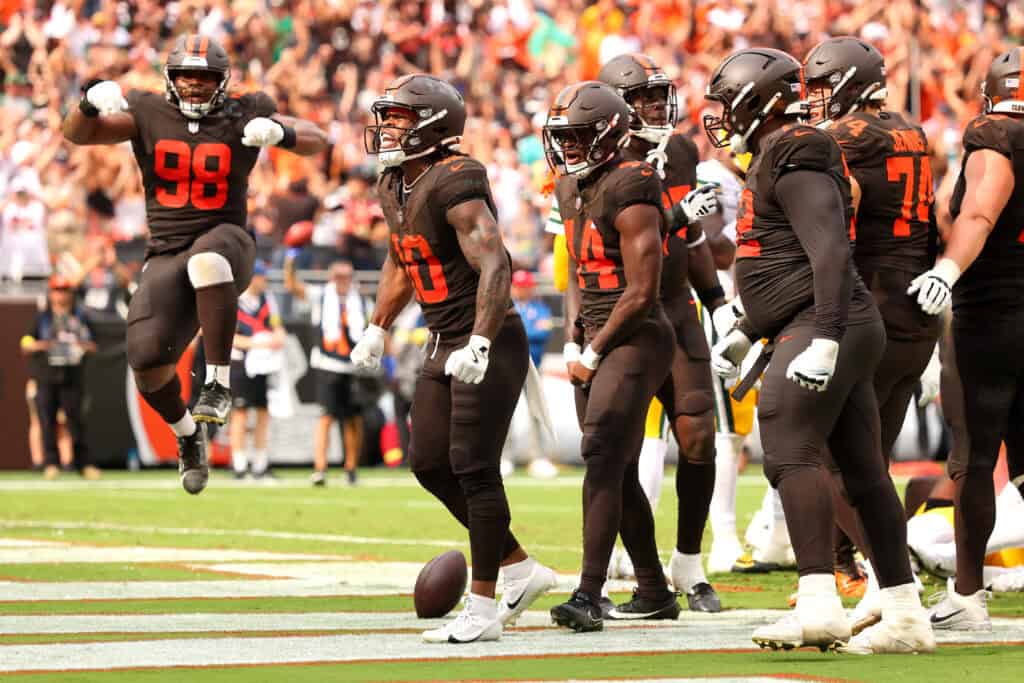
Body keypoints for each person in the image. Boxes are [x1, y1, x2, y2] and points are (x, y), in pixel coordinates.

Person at [704, 47, 933, 654]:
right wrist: (748, 327)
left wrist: (827, 334)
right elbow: (781, 263)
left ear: (759, 100)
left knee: (789, 449)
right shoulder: (776, 152)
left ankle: (818, 604)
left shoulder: (794, 148)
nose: (723, 115)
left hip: (827, 321)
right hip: (826, 319)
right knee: (861, 472)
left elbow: (830, 248)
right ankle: (905, 614)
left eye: (730, 102)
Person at [62, 34, 327, 494]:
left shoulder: (244, 111)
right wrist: (86, 102)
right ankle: (188, 434)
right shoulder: (148, 111)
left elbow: (319, 139)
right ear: (170, 79)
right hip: (166, 250)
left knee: (207, 259)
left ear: (222, 82)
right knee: (145, 362)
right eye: (186, 77)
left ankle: (218, 383)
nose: (195, 87)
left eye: (205, 79)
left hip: (228, 243)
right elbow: (76, 135)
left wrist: (280, 133)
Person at [350, 74, 556, 644]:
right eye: (386, 116)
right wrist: (377, 325)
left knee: (473, 466)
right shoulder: (394, 181)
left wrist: (482, 340)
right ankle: (518, 567)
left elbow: (495, 264)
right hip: (442, 337)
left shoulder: (457, 179)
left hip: (485, 337)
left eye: (398, 118)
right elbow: (402, 256)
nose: (387, 128)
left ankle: (485, 606)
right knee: (428, 463)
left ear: (432, 126)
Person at [804, 36, 943, 600]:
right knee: (872, 455)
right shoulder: (911, 130)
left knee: (832, 455)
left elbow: (840, 207)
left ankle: (892, 583)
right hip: (918, 306)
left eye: (819, 87)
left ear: (848, 83)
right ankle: (851, 570)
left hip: (875, 302)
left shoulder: (845, 139)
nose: (812, 101)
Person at [543, 81, 678, 632]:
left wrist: (595, 350)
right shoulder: (570, 185)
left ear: (607, 133)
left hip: (638, 334)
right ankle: (653, 588)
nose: (568, 147)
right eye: (563, 137)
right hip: (596, 332)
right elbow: (578, 268)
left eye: (578, 135)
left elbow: (643, 289)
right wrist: (575, 336)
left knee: (600, 454)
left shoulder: (635, 181)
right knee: (616, 466)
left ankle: (588, 593)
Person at [595, 53, 727, 612]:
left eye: (657, 95)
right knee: (615, 451)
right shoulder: (593, 157)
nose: (655, 106)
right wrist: (586, 328)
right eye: (643, 97)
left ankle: (688, 565)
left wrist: (718, 299)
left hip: (675, 306)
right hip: (622, 314)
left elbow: (690, 238)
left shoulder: (678, 151)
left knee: (698, 435)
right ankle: (628, 578)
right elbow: (582, 251)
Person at [908, 47, 1024, 632]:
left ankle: (969, 594)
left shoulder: (996, 135)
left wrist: (945, 272)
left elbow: (979, 212)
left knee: (974, 461)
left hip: (994, 318)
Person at [20, 275, 99, 481]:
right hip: (46, 375)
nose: (61, 294)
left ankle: (84, 464)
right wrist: (40, 345)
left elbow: (94, 344)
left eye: (64, 290)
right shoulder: (42, 318)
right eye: (57, 290)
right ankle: (51, 463)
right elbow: (26, 342)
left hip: (72, 375)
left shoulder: (81, 316)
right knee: (47, 420)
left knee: (76, 420)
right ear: (51, 293)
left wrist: (79, 346)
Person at [308, 260, 368, 487]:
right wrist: (290, 262)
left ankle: (351, 467)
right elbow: (294, 287)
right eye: (338, 276)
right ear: (331, 277)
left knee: (353, 419)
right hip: (328, 364)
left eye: (346, 276)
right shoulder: (321, 296)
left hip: (354, 365)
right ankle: (320, 467)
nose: (343, 281)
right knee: (326, 417)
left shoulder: (361, 300)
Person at [228, 261, 285, 480]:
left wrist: (278, 337)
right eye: (262, 277)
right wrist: (258, 343)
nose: (265, 282)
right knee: (240, 414)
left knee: (262, 413)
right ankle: (240, 464)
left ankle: (260, 463)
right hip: (241, 364)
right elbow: (230, 338)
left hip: (264, 364)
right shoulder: (235, 303)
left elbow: (277, 326)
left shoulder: (267, 300)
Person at [507, 268, 558, 479]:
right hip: (508, 367)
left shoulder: (540, 308)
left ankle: (538, 457)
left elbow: (542, 333)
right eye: (518, 287)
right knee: (505, 416)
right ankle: (504, 457)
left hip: (532, 368)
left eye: (525, 287)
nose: (521, 291)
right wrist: (527, 331)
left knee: (536, 413)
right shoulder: (508, 307)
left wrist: (522, 332)